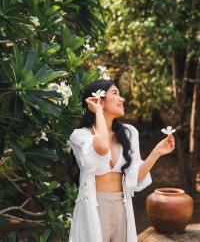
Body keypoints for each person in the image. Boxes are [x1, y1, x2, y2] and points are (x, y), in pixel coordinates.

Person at [68, 79, 175, 242]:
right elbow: (102, 147)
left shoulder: (129, 133)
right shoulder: (80, 136)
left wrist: (157, 152)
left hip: (122, 207)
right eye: (115, 93)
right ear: (99, 100)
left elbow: (134, 178)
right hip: (94, 208)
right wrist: (98, 112)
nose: (122, 99)